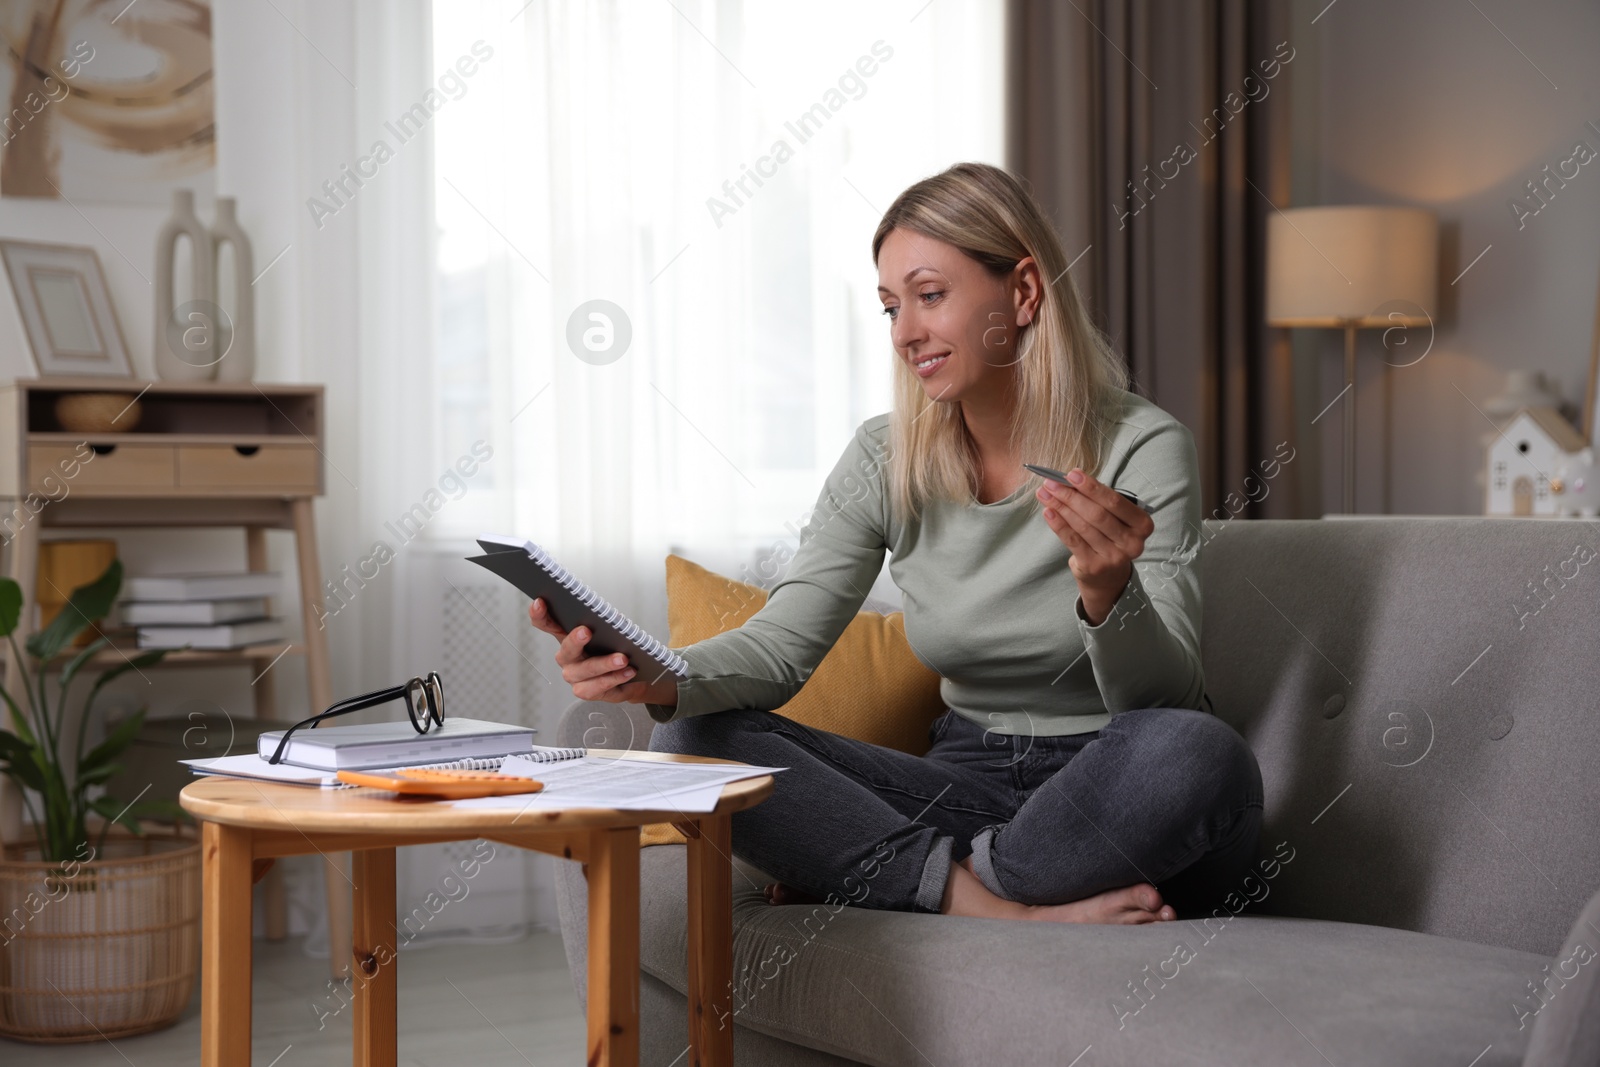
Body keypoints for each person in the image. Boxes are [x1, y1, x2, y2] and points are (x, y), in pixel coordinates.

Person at [527, 161, 1262, 925]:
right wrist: (657, 674)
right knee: (695, 734)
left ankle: (917, 878)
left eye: (930, 296)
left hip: (1110, 792)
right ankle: (995, 905)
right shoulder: (886, 456)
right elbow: (781, 648)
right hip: (962, 786)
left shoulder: (1142, 445)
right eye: (889, 308)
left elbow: (1165, 702)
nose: (906, 333)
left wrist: (1111, 594)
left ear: (1022, 291)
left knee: (1199, 753)